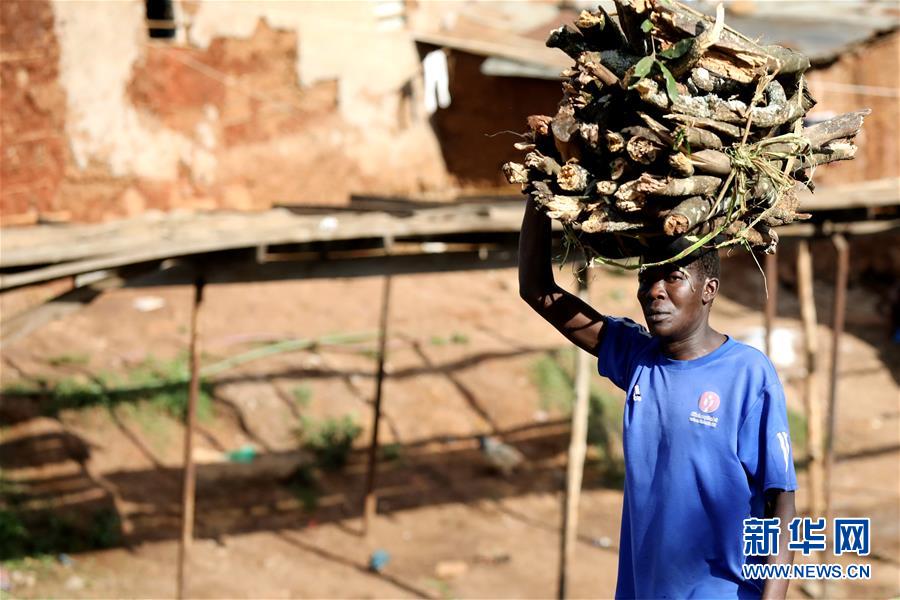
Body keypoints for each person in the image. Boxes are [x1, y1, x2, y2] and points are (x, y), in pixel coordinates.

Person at [518, 196, 797, 599]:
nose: (655, 292)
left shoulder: (748, 374)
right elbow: (537, 289)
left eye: (673, 278)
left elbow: (780, 505)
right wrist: (539, 195)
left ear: (708, 289)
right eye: (647, 279)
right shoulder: (637, 359)